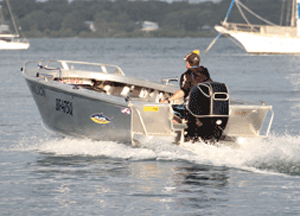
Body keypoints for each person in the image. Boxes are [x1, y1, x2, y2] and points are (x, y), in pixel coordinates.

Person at [160, 50, 212, 123]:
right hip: (205, 107)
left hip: (191, 108)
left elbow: (183, 91)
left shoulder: (187, 75)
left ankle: (178, 128)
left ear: (187, 63)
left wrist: (168, 100)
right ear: (199, 63)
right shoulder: (205, 73)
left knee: (167, 109)